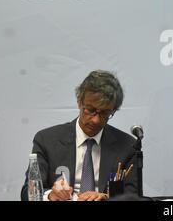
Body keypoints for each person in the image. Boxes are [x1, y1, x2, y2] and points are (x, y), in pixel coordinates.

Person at [21, 70, 138, 201]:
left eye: (105, 113)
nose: (96, 120)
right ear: (79, 102)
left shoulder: (127, 146)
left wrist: (105, 197)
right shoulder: (46, 140)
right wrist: (50, 196)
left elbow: (134, 196)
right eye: (91, 110)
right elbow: (27, 193)